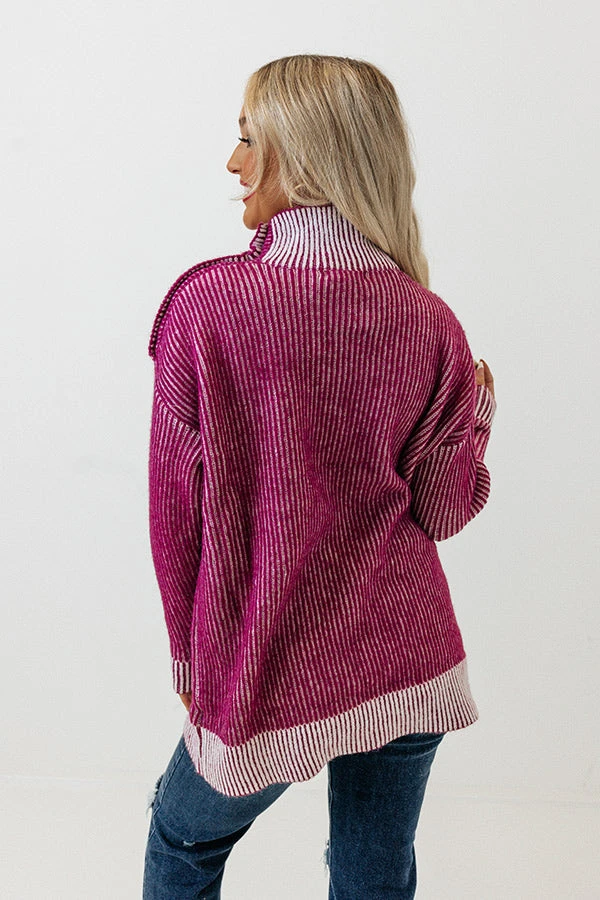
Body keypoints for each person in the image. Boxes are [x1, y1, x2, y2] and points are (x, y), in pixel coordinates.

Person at [142, 54, 496, 899]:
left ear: (304, 155)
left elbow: (176, 511)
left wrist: (192, 660)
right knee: (373, 875)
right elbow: (443, 511)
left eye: (248, 139)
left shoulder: (207, 307)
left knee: (183, 839)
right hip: (408, 653)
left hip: (267, 661)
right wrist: (476, 417)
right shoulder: (428, 317)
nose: (233, 163)